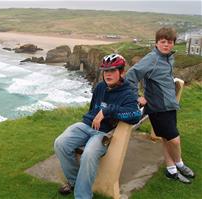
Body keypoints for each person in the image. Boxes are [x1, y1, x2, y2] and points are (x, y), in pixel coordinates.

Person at [54, 53, 141, 199]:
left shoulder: (128, 93)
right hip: (86, 125)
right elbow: (92, 108)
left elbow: (135, 115)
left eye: (113, 70)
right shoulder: (100, 87)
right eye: (106, 71)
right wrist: (94, 116)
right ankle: (74, 181)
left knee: (88, 154)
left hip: (103, 133)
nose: (108, 74)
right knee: (60, 143)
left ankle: (82, 196)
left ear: (122, 72)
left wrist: (107, 111)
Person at [125, 27, 195, 184]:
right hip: (158, 108)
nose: (166, 45)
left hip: (169, 105)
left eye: (169, 42)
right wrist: (137, 97)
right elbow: (131, 76)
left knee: (166, 139)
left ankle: (171, 171)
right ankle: (180, 164)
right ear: (156, 43)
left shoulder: (168, 58)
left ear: (173, 44)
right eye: (163, 42)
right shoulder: (152, 59)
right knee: (174, 140)